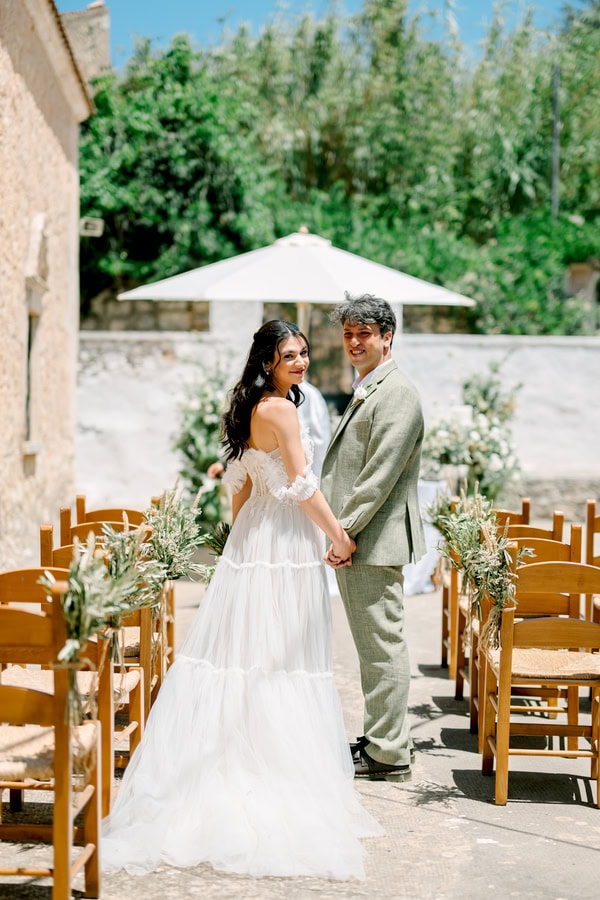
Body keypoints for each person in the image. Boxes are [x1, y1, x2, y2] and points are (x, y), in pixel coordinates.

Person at [102, 320, 381, 879]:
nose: (300, 362)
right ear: (268, 362)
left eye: (303, 353)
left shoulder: (250, 406)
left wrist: (237, 550)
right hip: (282, 542)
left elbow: (243, 486)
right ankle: (272, 776)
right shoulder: (281, 409)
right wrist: (340, 537)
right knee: (279, 659)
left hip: (254, 540)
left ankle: (236, 760)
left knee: (250, 657)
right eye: (289, 356)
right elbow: (301, 486)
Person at [320, 293, 427, 782]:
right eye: (348, 334)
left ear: (387, 336)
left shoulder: (397, 391)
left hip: (371, 540)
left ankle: (388, 752)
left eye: (364, 333)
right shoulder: (370, 385)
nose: (355, 342)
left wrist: (344, 532)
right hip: (362, 540)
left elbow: (378, 475)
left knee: (382, 646)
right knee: (372, 646)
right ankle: (382, 735)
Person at [207, 378, 330, 481]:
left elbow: (320, 443)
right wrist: (226, 465)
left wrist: (315, 481)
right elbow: (249, 440)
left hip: (299, 481)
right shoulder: (255, 393)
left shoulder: (309, 395)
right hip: (263, 487)